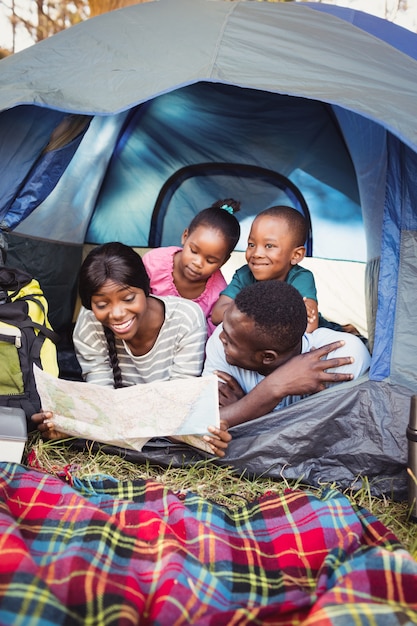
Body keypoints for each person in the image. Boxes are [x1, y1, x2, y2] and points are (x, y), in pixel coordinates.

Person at [32, 242, 230, 456]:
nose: (117, 313)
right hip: (140, 421)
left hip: (167, 416)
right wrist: (70, 426)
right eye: (101, 304)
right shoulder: (89, 326)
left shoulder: (186, 318)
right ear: (90, 305)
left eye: (128, 299)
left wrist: (207, 433)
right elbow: (102, 399)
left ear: (146, 289)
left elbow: (178, 402)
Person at [203, 280, 371, 430]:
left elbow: (321, 436)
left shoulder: (339, 357)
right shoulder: (224, 340)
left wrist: (245, 409)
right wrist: (268, 392)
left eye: (230, 341)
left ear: (267, 357)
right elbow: (199, 422)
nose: (220, 337)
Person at [211, 205, 319, 332]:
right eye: (251, 244)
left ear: (296, 255)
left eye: (269, 245)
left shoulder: (300, 278)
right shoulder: (244, 274)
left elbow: (309, 326)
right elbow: (217, 314)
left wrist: (244, 313)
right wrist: (264, 309)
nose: (256, 253)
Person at [142, 198, 241, 336]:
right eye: (194, 251)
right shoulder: (154, 262)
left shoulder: (218, 294)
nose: (198, 263)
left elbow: (208, 338)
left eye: (210, 260)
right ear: (185, 236)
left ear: (224, 261)